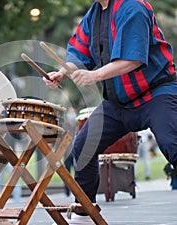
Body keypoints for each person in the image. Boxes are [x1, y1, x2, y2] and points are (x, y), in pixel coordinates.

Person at [43, 0, 177, 224]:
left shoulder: (133, 6)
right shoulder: (93, 15)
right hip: (118, 103)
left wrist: (93, 76)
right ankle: (84, 212)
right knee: (84, 146)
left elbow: (133, 59)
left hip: (155, 94)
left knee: (172, 143)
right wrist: (62, 73)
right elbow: (79, 55)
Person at [63, 106, 77, 196]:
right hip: (66, 153)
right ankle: (67, 193)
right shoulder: (64, 126)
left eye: (73, 112)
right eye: (70, 112)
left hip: (76, 153)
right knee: (66, 174)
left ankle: (77, 192)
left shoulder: (77, 125)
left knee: (77, 174)